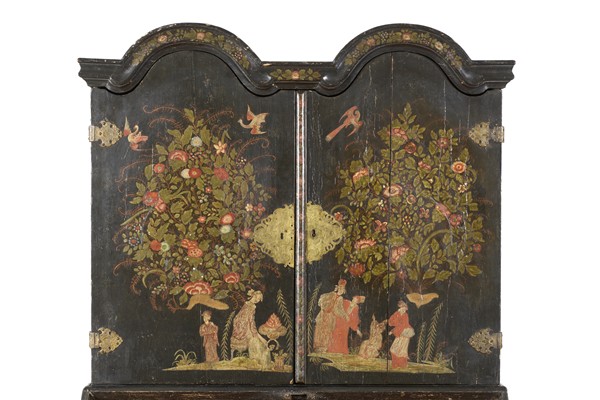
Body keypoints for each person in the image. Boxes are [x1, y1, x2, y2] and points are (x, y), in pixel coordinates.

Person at [230, 289, 271, 367]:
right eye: (256, 298)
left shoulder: (248, 304)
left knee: (260, 341)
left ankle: (259, 363)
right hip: (244, 329)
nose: (257, 300)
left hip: (245, 328)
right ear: (253, 295)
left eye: (258, 300)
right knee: (258, 342)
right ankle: (258, 363)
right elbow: (250, 322)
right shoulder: (251, 306)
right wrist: (257, 335)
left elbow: (249, 321)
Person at [313, 279, 349, 353]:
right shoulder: (331, 294)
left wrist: (345, 315)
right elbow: (321, 300)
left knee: (328, 331)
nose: (342, 290)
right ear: (338, 288)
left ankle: (324, 347)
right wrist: (325, 307)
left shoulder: (340, 298)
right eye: (340, 288)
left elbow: (339, 309)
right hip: (323, 315)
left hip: (330, 316)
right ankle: (318, 347)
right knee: (320, 330)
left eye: (343, 289)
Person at [388, 300, 414, 368]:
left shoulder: (405, 315)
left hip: (404, 334)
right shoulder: (397, 314)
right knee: (394, 349)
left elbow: (404, 325)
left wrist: (392, 331)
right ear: (400, 307)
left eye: (405, 308)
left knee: (402, 350)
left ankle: (402, 364)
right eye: (403, 307)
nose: (404, 309)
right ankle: (395, 364)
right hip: (399, 333)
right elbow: (391, 322)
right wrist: (397, 315)